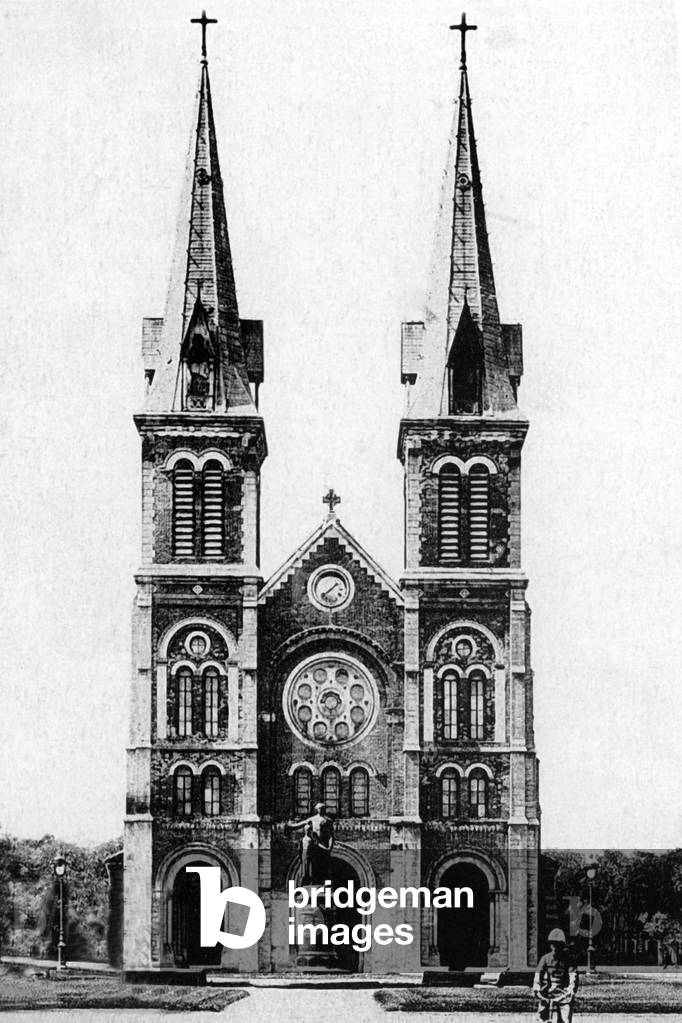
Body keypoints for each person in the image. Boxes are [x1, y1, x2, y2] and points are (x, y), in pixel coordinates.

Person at [533, 928, 578, 1022]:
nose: (555, 947)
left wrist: (570, 989)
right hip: (547, 992)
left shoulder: (568, 959)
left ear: (562, 946)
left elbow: (573, 976)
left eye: (558, 945)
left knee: (565, 1018)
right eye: (553, 944)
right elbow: (538, 974)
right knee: (541, 1018)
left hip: (563, 993)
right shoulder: (545, 958)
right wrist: (537, 988)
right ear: (550, 945)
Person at [288, 803, 335, 884]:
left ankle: (324, 883)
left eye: (322, 808)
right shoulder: (312, 819)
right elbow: (300, 824)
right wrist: (290, 826)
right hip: (314, 844)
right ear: (317, 810)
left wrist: (330, 846)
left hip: (323, 844)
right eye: (319, 808)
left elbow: (331, 835)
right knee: (310, 863)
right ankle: (308, 882)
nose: (321, 810)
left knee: (325, 865)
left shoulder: (328, 821)